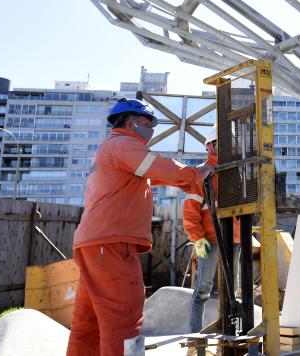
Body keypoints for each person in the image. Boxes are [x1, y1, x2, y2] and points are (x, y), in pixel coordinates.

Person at [67, 98, 211, 356]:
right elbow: (163, 168)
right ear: (131, 122)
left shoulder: (113, 150)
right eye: (148, 124)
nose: (151, 131)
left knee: (88, 323)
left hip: (96, 243)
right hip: (112, 244)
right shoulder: (124, 145)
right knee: (124, 317)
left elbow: (167, 176)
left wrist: (199, 171)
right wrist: (197, 173)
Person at [184, 135, 241, 333]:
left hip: (234, 240)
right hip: (208, 240)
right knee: (202, 290)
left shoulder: (237, 173)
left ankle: (227, 331)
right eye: (219, 142)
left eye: (228, 142)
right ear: (209, 146)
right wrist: (198, 240)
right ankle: (195, 333)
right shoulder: (202, 174)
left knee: (230, 291)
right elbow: (190, 212)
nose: (225, 146)